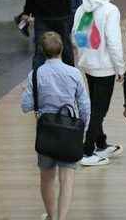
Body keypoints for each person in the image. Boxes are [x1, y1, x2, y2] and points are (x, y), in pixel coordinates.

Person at [20, 32, 89, 220]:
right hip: (70, 131)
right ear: (62, 49)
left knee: (47, 178)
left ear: (42, 51)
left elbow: (26, 106)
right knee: (67, 179)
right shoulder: (74, 74)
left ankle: (50, 215)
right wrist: (83, 130)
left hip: (46, 132)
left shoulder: (35, 75)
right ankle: (62, 218)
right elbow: (84, 106)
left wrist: (27, 92)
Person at [72, 0, 126, 167]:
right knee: (99, 109)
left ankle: (100, 143)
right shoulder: (110, 10)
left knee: (95, 104)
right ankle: (86, 151)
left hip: (88, 64)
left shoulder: (81, 8)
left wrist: (87, 55)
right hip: (105, 67)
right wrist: (120, 68)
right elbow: (113, 42)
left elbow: (75, 36)